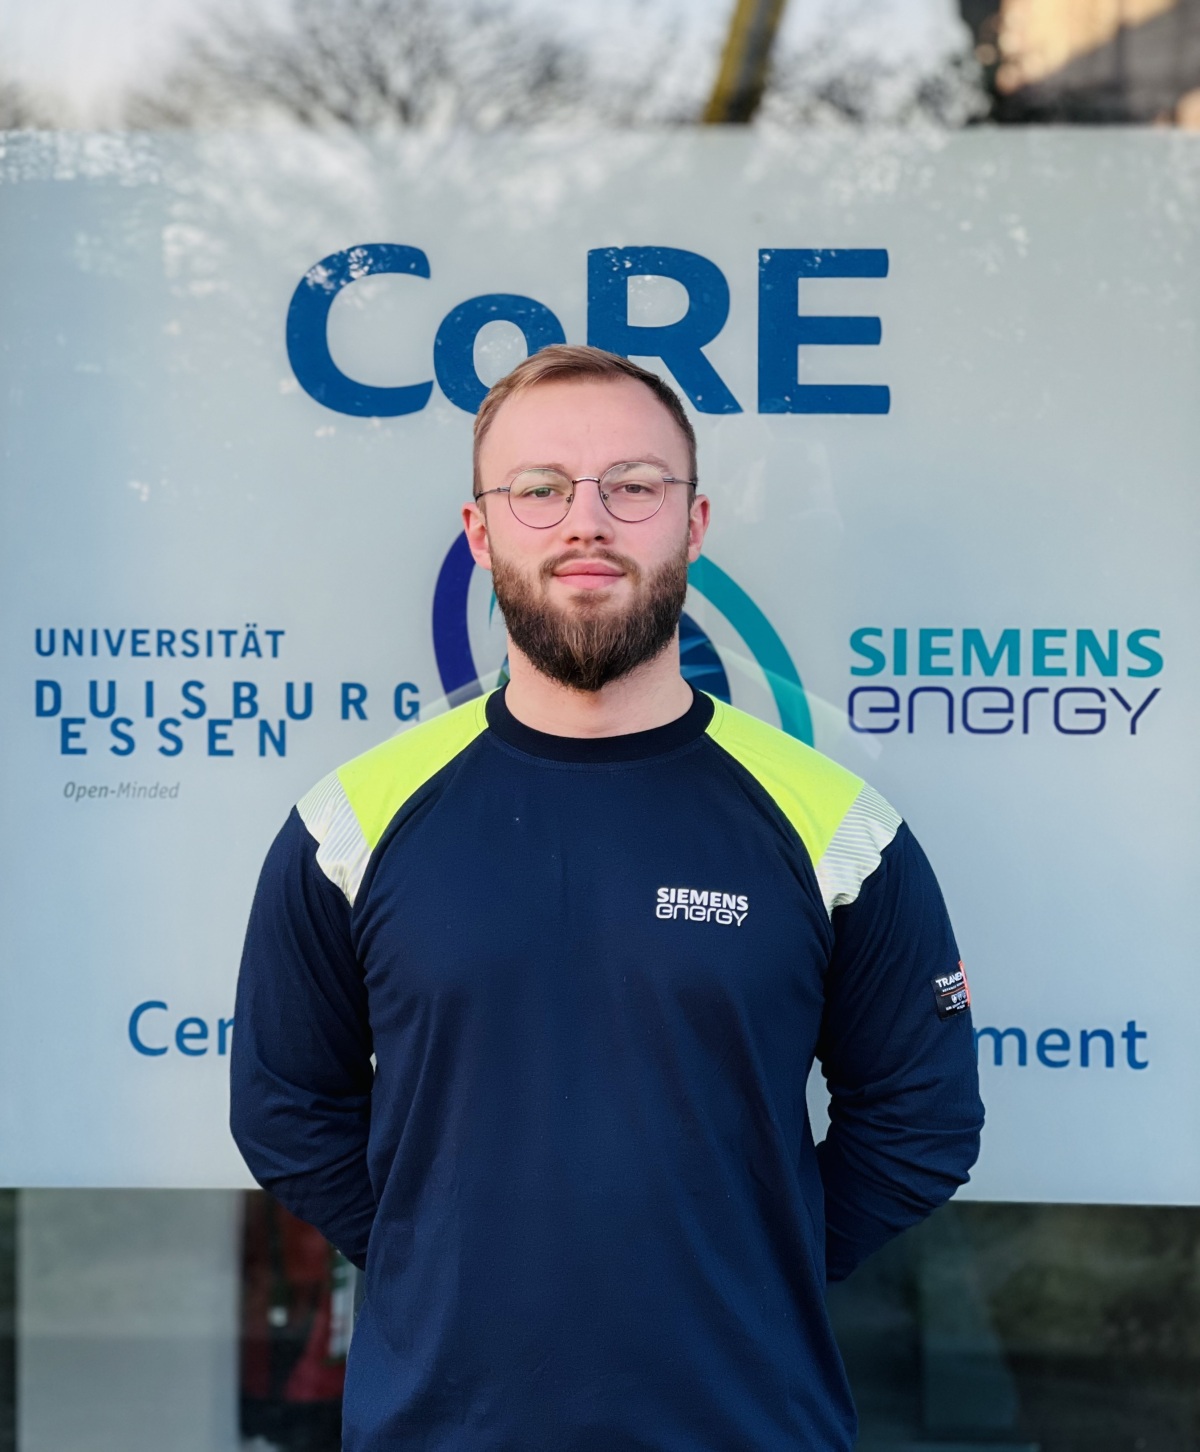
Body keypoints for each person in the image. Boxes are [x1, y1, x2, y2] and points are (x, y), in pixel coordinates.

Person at [231, 344, 984, 1451]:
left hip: (744, 1427)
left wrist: (747, 1263)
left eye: (633, 485)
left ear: (694, 523)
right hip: (441, 1428)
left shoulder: (838, 828)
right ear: (481, 532)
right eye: (539, 489)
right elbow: (285, 1109)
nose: (586, 522)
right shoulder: (349, 826)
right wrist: (435, 1261)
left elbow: (923, 1121)